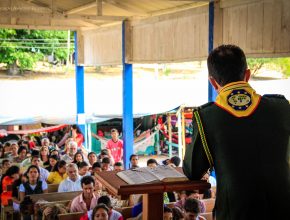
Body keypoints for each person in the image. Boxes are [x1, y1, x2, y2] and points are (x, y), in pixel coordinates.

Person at [183, 44, 290, 220]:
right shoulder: (282, 107)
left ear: (212, 81)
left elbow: (193, 170)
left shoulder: (206, 117)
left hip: (236, 213)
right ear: (247, 75)